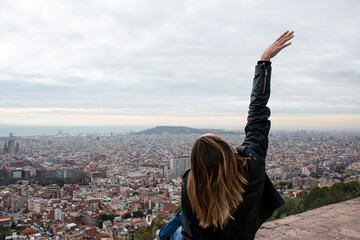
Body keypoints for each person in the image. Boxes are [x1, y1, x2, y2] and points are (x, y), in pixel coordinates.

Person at [157, 31, 294, 240]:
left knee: (173, 228)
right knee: (182, 216)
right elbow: (257, 114)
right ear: (227, 150)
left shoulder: (192, 184)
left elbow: (190, 234)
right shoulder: (251, 163)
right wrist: (263, 62)